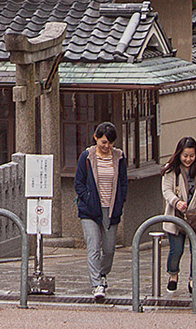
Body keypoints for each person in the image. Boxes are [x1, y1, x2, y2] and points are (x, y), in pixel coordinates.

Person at [74, 121, 127, 303]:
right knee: (93, 247)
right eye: (103, 142)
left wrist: (120, 201)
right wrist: (88, 198)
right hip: (89, 210)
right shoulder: (86, 157)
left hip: (111, 208)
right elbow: (78, 183)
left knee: (109, 249)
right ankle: (96, 284)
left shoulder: (119, 157)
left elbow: (123, 183)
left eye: (110, 143)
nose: (106, 146)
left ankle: (102, 273)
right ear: (96, 138)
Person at [161, 136, 196, 293]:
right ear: (179, 154)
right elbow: (166, 190)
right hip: (177, 215)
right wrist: (176, 202)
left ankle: (194, 281)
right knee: (176, 250)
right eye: (185, 156)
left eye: (191, 156)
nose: (188, 159)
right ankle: (173, 275)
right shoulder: (171, 169)